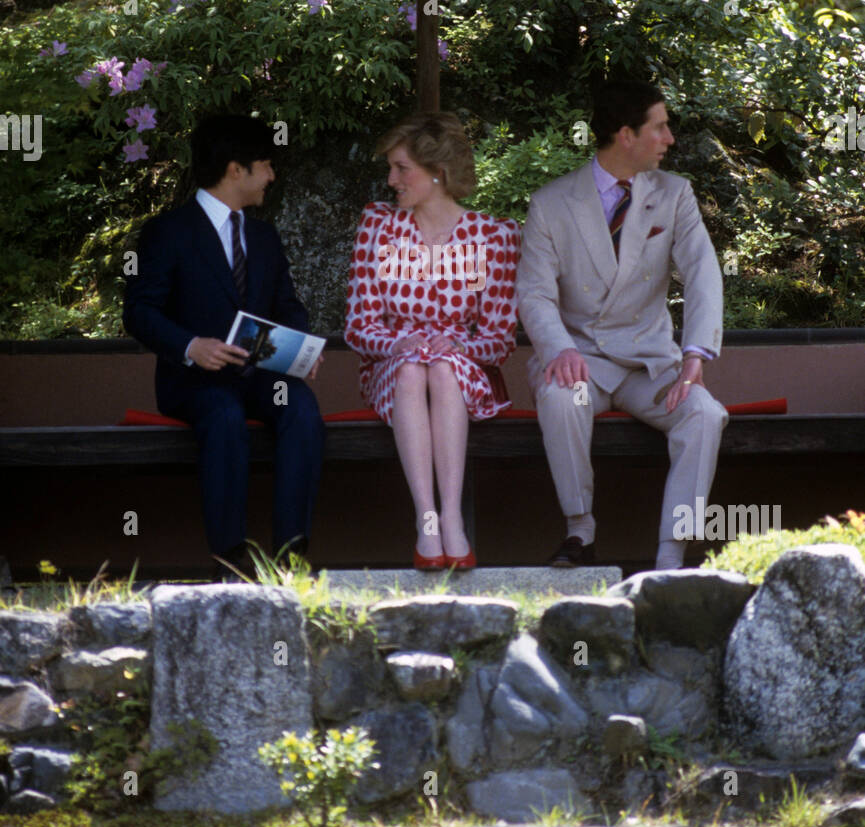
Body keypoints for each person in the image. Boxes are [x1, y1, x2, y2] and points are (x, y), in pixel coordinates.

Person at [516, 81, 727, 571]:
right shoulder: (551, 202)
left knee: (705, 415)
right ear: (627, 134)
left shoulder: (676, 195)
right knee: (561, 396)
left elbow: (702, 274)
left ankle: (671, 557)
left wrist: (696, 354)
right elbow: (535, 293)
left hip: (648, 366)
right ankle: (579, 530)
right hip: (583, 363)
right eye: (660, 127)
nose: (670, 138)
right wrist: (558, 349)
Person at [123, 113, 325, 579]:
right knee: (224, 416)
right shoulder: (166, 232)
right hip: (193, 381)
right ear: (237, 169)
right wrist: (191, 346)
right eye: (266, 164)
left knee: (301, 410)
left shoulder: (264, 235)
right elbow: (139, 311)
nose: (272, 176)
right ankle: (231, 558)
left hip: (261, 376)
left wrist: (299, 351)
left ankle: (292, 557)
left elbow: (288, 307)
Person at [344, 112, 520, 570]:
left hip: (462, 369)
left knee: (439, 367)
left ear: (437, 173)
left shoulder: (492, 236)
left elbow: (499, 338)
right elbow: (359, 326)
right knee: (412, 366)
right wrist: (398, 345)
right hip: (391, 368)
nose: (391, 179)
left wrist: (459, 347)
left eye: (402, 169)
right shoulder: (379, 226)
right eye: (391, 168)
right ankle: (427, 519)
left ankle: (452, 518)